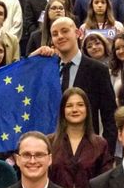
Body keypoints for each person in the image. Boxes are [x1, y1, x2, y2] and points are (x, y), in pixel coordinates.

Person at [33, 18, 116, 148]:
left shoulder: (97, 70)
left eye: (65, 31)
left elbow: (109, 116)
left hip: (87, 150)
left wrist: (106, 155)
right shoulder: (46, 70)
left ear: (78, 33)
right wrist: (33, 60)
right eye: (55, 34)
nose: (60, 36)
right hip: (52, 148)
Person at [48, 87, 113, 188]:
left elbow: (106, 184)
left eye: (80, 105)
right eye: (69, 106)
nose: (75, 109)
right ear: (62, 110)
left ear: (87, 109)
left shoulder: (100, 144)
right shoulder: (49, 142)